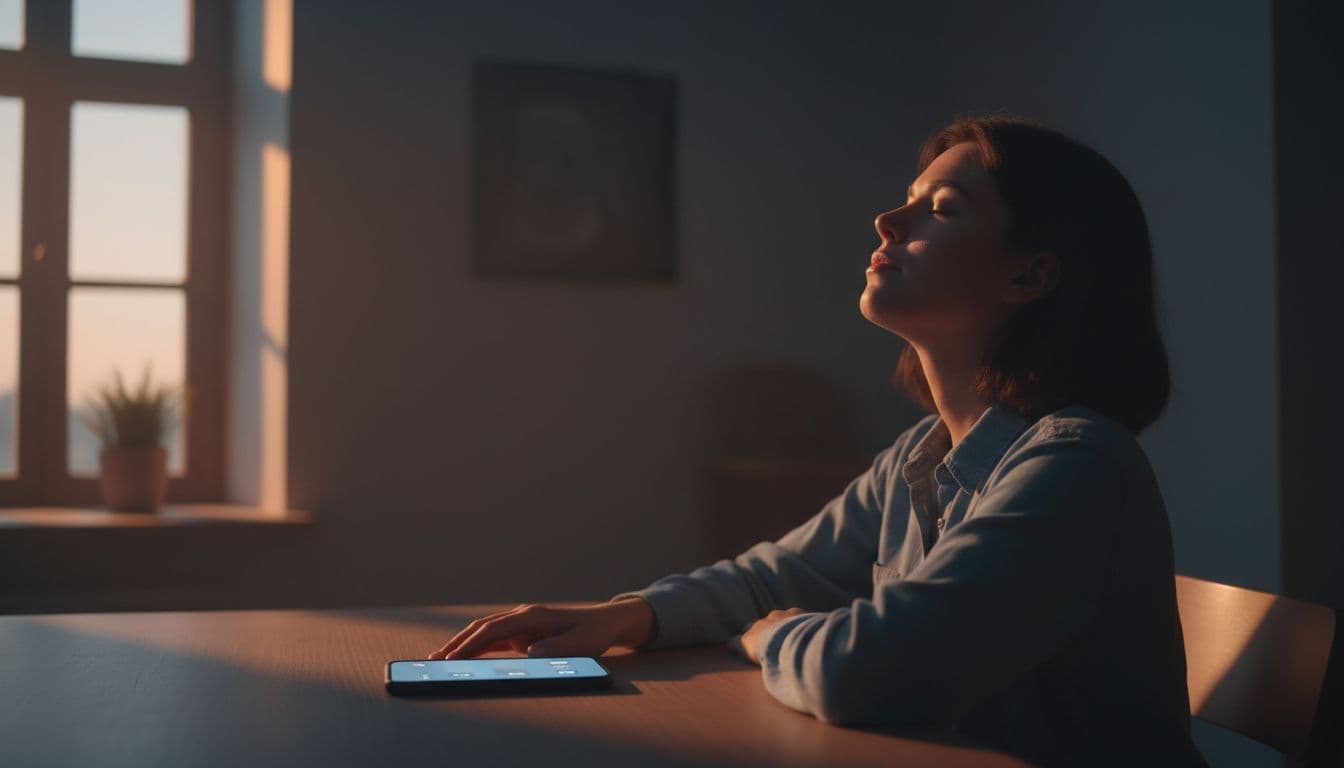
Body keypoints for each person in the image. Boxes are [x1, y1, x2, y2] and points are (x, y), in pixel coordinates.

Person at [429, 114, 1206, 766]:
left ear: (1030, 277)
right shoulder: (920, 457)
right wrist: (624, 617)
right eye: (908, 199)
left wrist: (772, 636)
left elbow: (864, 672)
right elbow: (772, 575)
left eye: (942, 207)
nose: (889, 221)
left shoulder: (1077, 464)